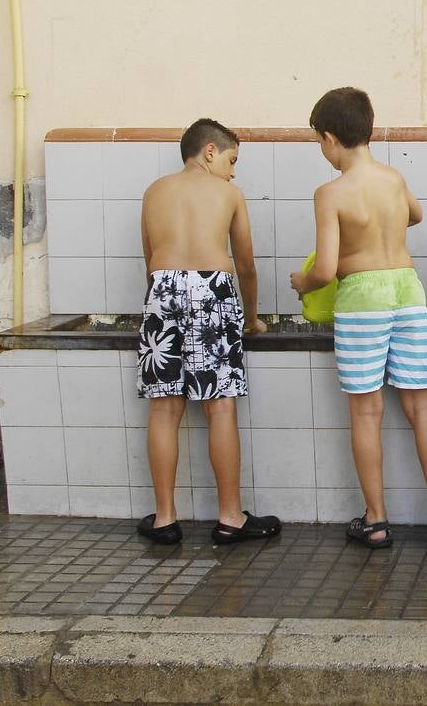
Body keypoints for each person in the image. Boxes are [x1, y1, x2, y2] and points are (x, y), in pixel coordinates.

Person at [291, 87, 427, 548]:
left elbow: (324, 271)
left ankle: (376, 519)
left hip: (362, 298)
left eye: (318, 143)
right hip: (406, 290)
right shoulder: (394, 179)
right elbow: (415, 216)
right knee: (422, 406)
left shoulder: (330, 193)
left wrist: (301, 284)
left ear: (329, 137)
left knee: (366, 410)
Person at [135, 119, 279, 545]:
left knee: (164, 410)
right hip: (212, 291)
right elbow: (246, 265)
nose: (234, 171)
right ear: (210, 151)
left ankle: (164, 519)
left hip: (162, 290)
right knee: (219, 409)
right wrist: (251, 319)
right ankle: (230, 518)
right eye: (232, 160)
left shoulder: (154, 192)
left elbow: (150, 261)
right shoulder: (229, 193)